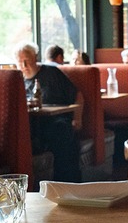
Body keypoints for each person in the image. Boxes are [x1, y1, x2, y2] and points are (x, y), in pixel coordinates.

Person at [16, 42, 81, 182]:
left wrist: (78, 118)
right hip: (33, 123)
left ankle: (65, 183)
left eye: (27, 61)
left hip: (56, 119)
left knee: (60, 131)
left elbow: (78, 95)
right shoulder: (18, 81)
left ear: (35, 57)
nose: (24, 66)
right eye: (20, 62)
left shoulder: (51, 73)